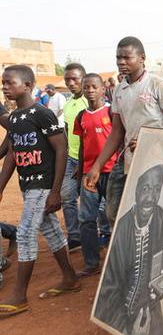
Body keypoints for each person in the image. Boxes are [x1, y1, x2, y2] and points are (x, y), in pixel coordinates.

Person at [0, 65, 81, 317]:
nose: (4, 87)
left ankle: (19, 295)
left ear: (27, 85)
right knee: (50, 229)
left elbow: (61, 148)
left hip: (43, 185)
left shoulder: (42, 113)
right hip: (28, 185)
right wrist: (1, 187)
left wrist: (56, 191)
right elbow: (12, 154)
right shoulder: (14, 118)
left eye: (9, 82)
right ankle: (70, 278)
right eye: (2, 83)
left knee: (24, 234)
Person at [83, 37, 163, 224]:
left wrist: (151, 141)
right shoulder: (119, 89)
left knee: (151, 214)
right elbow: (117, 132)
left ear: (142, 58)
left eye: (127, 58)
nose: (121, 62)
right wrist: (97, 166)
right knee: (114, 214)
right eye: (118, 58)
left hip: (155, 162)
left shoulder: (158, 85)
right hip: (127, 161)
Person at [94, 164, 163, 335]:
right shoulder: (122, 229)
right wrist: (128, 332)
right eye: (145, 189)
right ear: (136, 189)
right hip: (121, 310)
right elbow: (110, 289)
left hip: (150, 303)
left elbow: (160, 264)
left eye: (156, 190)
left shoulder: (159, 216)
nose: (151, 198)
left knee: (161, 332)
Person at [73, 73, 117, 277]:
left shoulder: (111, 111)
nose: (90, 90)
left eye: (93, 86)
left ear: (102, 89)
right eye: (86, 87)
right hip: (89, 175)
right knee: (86, 219)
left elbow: (118, 140)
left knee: (113, 217)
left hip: (111, 172)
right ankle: (91, 262)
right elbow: (83, 144)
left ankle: (117, 259)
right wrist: (81, 169)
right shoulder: (81, 116)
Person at [62, 63, 89, 251]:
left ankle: (100, 232)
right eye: (67, 80)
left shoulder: (90, 102)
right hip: (70, 158)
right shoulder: (68, 103)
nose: (71, 83)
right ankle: (75, 237)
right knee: (66, 197)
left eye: (75, 79)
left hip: (88, 160)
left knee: (91, 200)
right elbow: (65, 130)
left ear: (84, 78)